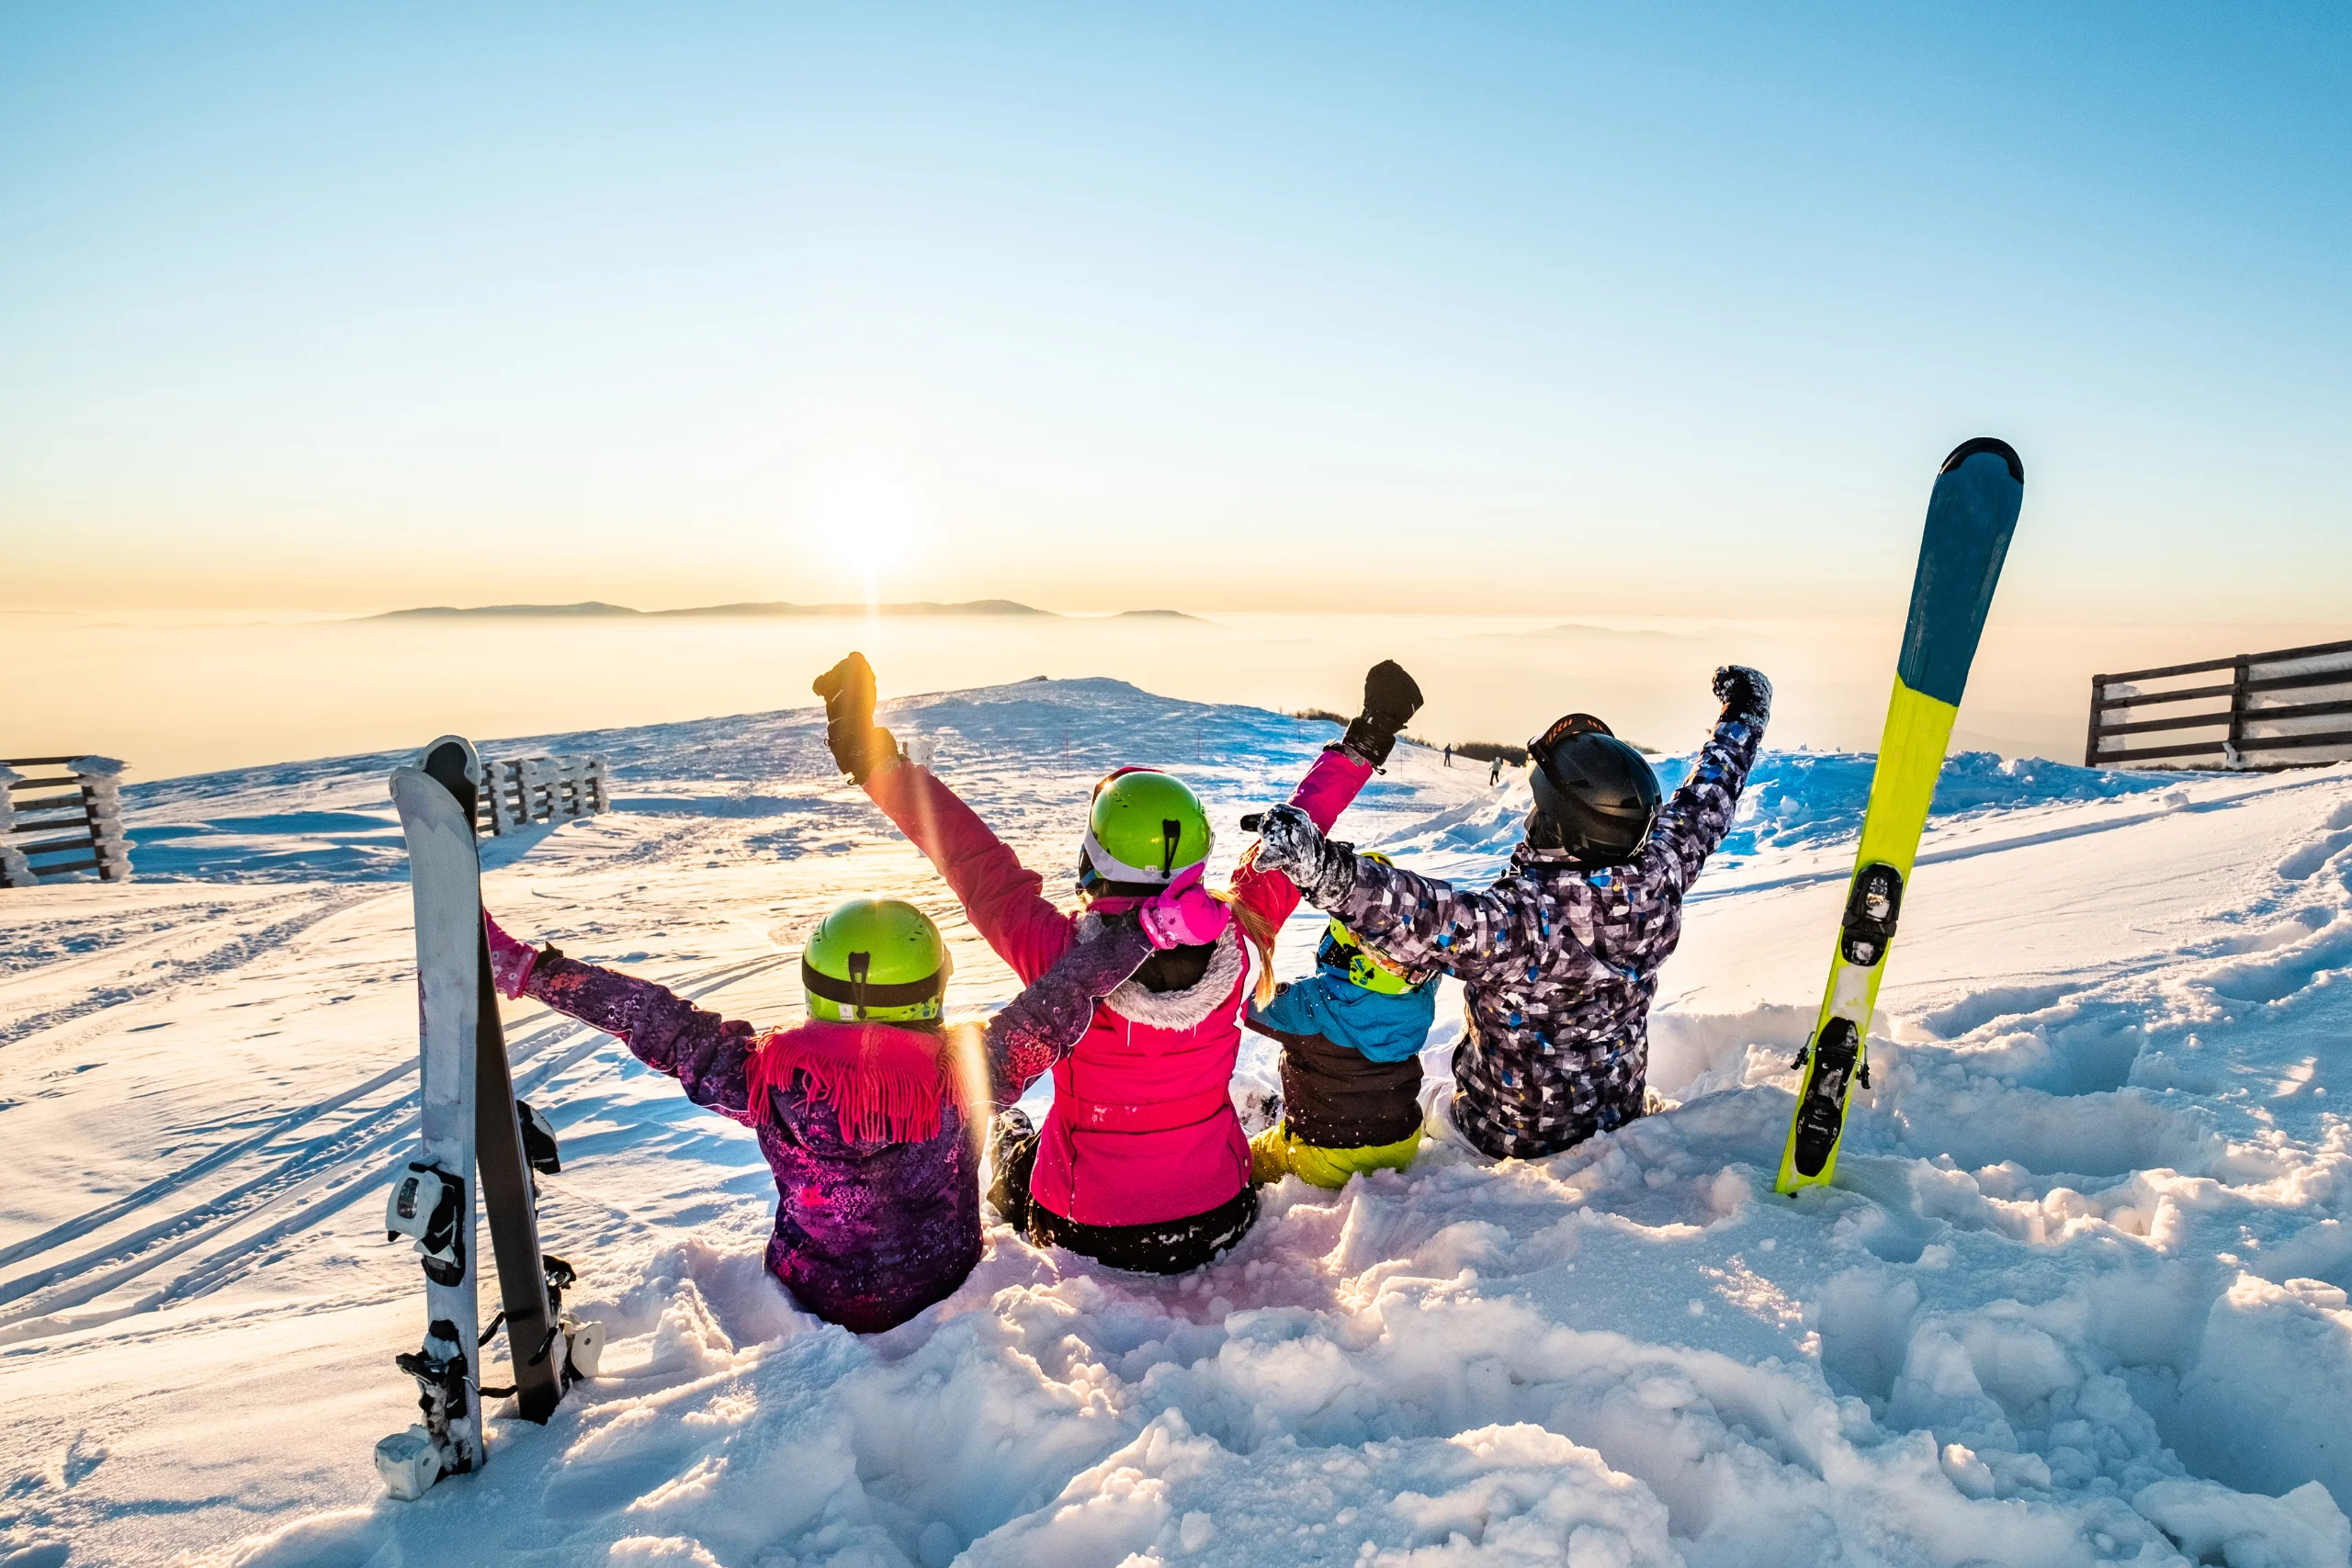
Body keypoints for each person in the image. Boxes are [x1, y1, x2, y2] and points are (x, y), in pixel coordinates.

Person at [812, 653, 1423, 1273]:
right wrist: (1366, 738)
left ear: (1095, 858)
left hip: (1086, 1226)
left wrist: (874, 762)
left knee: (1015, 1147)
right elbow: (1298, 833)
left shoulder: (1059, 957)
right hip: (1219, 1211)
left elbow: (973, 860)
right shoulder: (1240, 936)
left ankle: (1010, 1151)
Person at [478, 892, 1178, 1332]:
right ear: (931, 990)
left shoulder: (763, 1075)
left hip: (812, 1298)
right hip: (944, 1283)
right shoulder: (966, 1072)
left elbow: (654, 1019)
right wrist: (1145, 929)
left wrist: (534, 972)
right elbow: (1057, 1005)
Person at [1249, 665, 1770, 1161]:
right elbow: (1708, 800)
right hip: (1616, 1113)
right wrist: (1743, 716)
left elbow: (1420, 916)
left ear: (1563, 829)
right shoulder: (1661, 871)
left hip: (1504, 1135)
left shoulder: (1525, 923)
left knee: (1419, 1110)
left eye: (1541, 807)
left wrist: (1321, 867)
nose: (1531, 815)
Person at [1243, 852, 1441, 1189]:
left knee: (1250, 1159)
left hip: (1325, 1155)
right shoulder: (1419, 996)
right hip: (1401, 1142)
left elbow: (1247, 1002)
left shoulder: (1310, 1004)